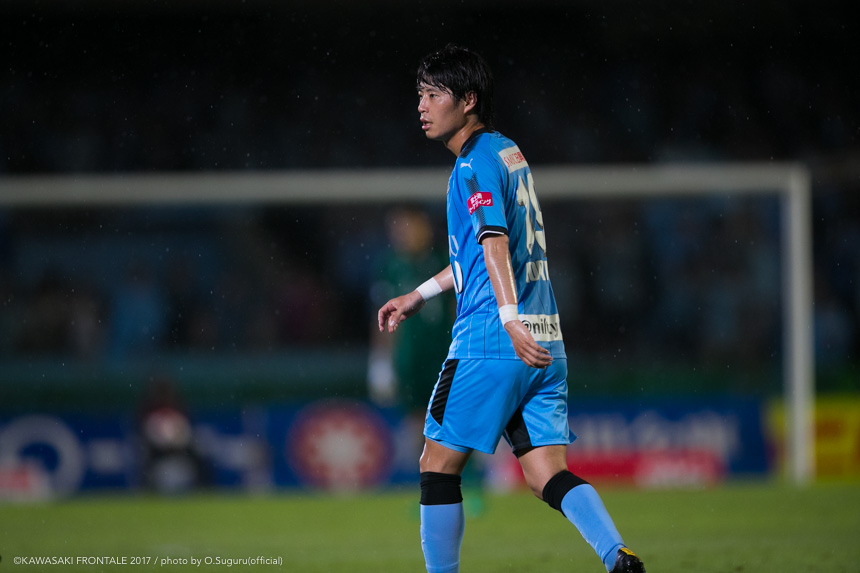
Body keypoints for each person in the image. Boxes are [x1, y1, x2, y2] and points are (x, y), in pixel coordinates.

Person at [377, 44, 645, 573]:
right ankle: (618, 555)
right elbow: (477, 255)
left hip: (493, 336)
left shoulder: (472, 164)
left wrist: (507, 318)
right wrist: (419, 294)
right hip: (545, 338)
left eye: (433, 94)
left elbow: (494, 242)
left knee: (436, 464)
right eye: (420, 95)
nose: (422, 106)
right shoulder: (508, 153)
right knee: (546, 473)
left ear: (468, 100)